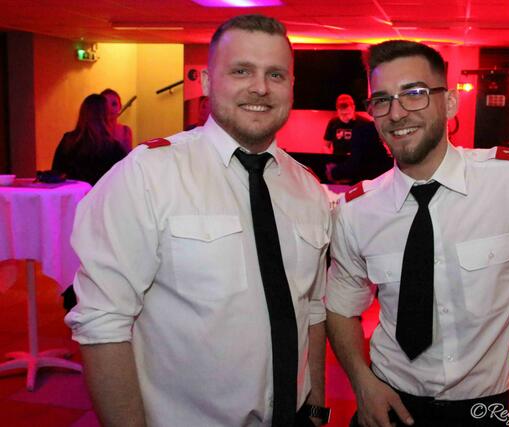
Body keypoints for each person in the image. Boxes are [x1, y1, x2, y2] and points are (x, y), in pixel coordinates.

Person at [326, 40, 509, 427]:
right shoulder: (356, 210)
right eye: (382, 100)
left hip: (482, 406)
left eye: (414, 93)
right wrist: (362, 382)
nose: (396, 113)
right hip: (389, 398)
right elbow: (341, 306)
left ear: (450, 103)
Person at [65, 14, 331, 427]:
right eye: (241, 71)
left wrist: (315, 408)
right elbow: (102, 324)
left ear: (291, 86)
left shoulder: (309, 189)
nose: (260, 87)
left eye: (275, 74)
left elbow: (311, 308)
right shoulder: (148, 175)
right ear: (207, 82)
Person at [52, 93, 127, 186]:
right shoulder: (113, 147)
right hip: (101, 195)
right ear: (104, 116)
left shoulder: (68, 141)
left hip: (74, 194)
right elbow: (124, 179)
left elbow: (56, 173)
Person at [325, 120, 393, 185]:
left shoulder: (364, 129)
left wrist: (334, 172)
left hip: (371, 181)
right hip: (381, 179)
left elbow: (355, 163)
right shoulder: (365, 129)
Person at [101, 88, 133, 153]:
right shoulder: (94, 132)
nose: (109, 108)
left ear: (120, 107)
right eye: (105, 105)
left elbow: (128, 156)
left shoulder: (126, 131)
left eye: (114, 104)